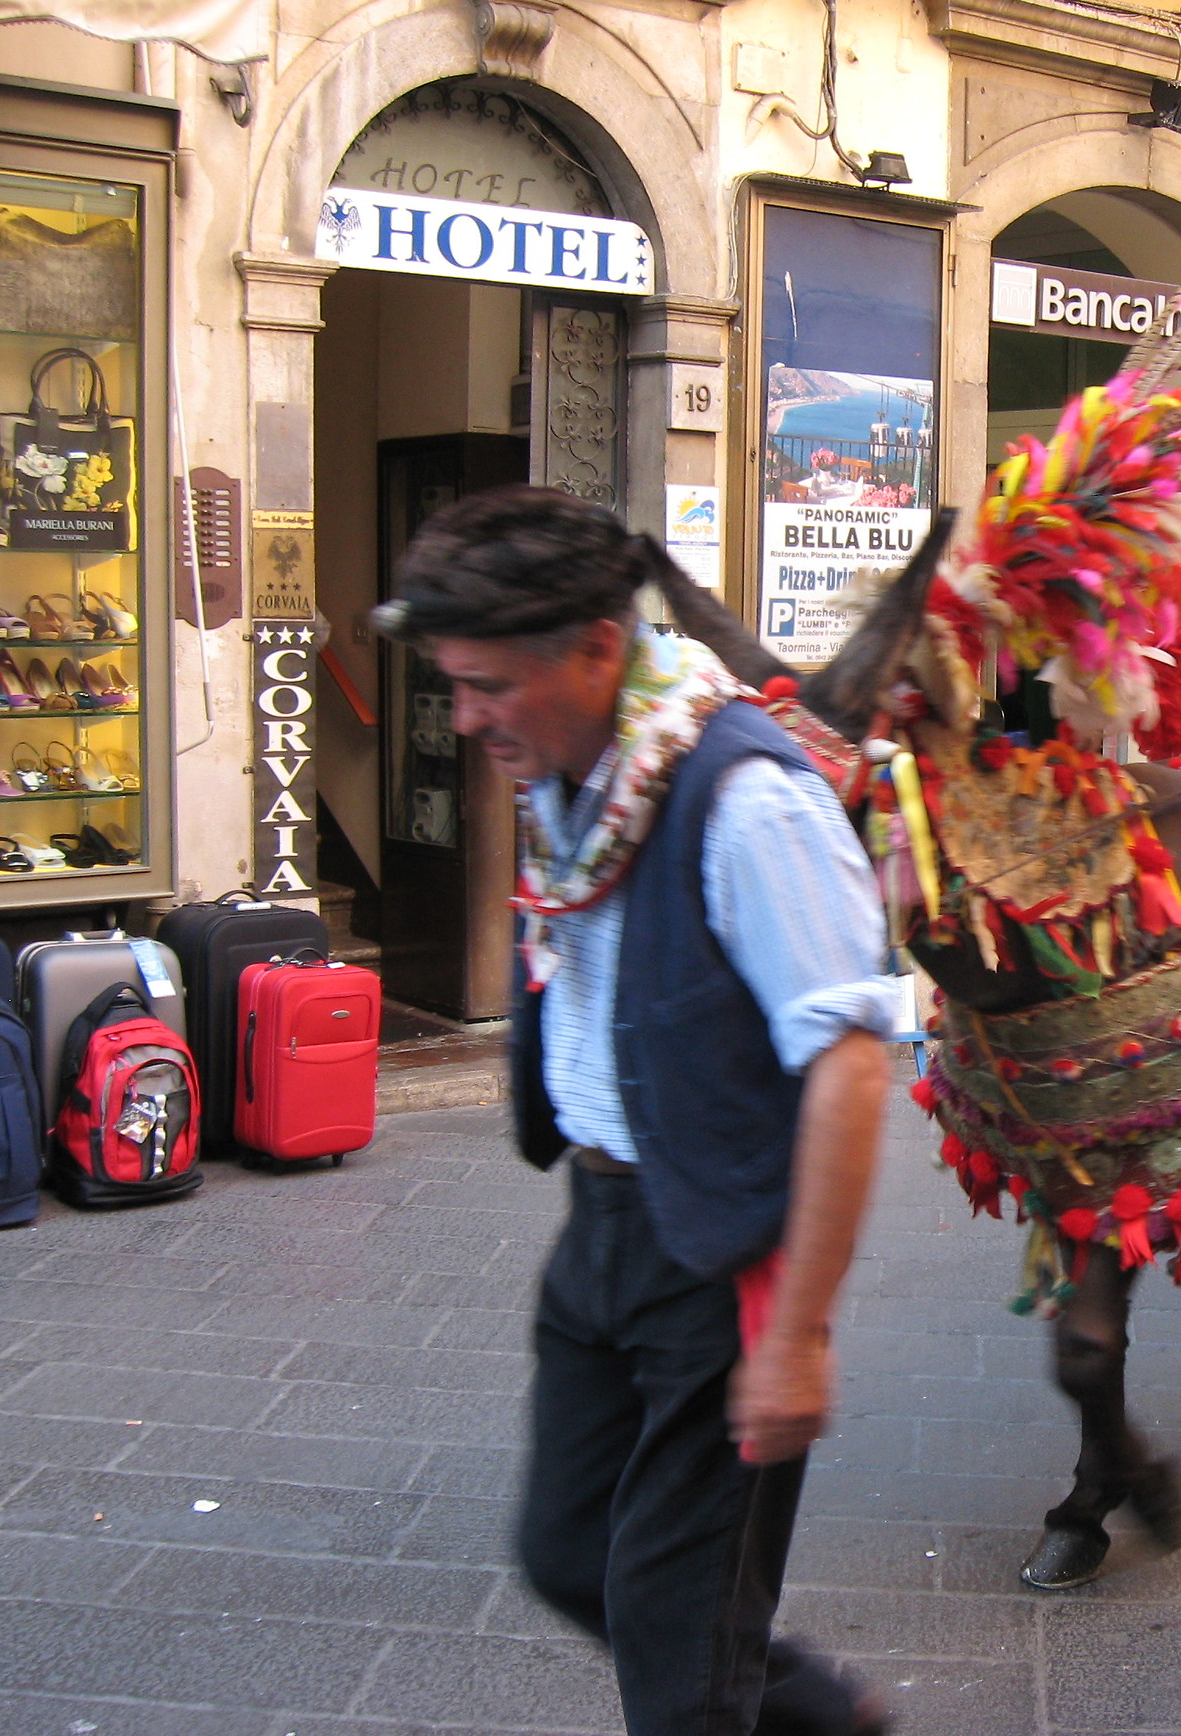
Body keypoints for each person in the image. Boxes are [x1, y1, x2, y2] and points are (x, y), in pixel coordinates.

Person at [375, 485, 897, 1736]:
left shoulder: (748, 801)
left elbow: (852, 1067)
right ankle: (820, 1717)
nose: (466, 718)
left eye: (489, 685)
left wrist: (800, 1332)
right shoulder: (579, 763)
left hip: (717, 1264)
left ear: (600, 648)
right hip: (602, 1226)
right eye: (456, 684)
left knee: (676, 1656)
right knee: (567, 1555)